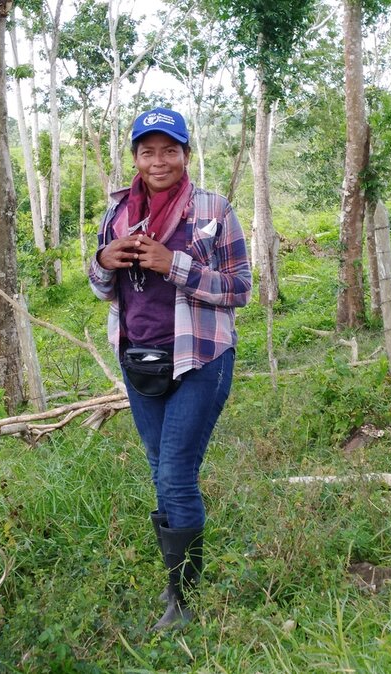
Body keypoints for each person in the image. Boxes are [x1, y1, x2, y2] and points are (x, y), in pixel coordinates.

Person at [88, 107, 251, 630]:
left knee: (176, 476)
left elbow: (241, 287)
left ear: (185, 154)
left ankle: (182, 600)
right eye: (147, 151)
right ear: (135, 157)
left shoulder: (213, 210)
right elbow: (100, 287)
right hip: (141, 361)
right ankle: (178, 581)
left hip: (200, 359)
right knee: (162, 474)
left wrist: (172, 263)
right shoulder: (116, 215)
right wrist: (102, 262)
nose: (159, 161)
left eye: (169, 150)